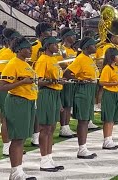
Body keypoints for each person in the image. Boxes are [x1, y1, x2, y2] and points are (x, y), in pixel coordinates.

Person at [0, 36, 37, 180]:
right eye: (28, 48)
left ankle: (18, 171)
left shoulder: (25, 64)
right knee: (17, 139)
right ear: (19, 49)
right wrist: (21, 84)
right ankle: (15, 173)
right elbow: (1, 86)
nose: (30, 50)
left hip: (27, 101)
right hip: (17, 102)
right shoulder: (13, 63)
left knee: (21, 139)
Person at [64, 37, 99, 159]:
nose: (95, 47)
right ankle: (81, 149)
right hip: (83, 90)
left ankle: (84, 147)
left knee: (86, 119)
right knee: (83, 120)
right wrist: (80, 79)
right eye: (93, 45)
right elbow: (67, 73)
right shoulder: (80, 59)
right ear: (86, 48)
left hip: (89, 89)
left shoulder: (88, 59)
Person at [35, 36, 65, 172]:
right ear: (47, 46)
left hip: (55, 93)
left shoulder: (54, 59)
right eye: (55, 44)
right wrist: (53, 81)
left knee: (52, 128)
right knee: (45, 128)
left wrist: (58, 81)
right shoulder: (42, 60)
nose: (57, 46)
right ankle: (43, 160)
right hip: (46, 93)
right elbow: (38, 81)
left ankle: (49, 157)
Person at [0, 28, 21, 156]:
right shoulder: (7, 54)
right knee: (6, 117)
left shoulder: (6, 52)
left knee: (9, 117)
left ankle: (10, 145)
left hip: (10, 87)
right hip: (5, 87)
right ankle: (6, 147)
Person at [30, 22, 53, 147]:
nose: (50, 32)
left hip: (46, 80)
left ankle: (39, 135)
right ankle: (35, 136)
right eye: (48, 30)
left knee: (41, 111)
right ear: (42, 33)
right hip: (37, 80)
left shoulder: (49, 44)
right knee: (37, 109)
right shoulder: (35, 46)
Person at [99, 48, 118, 149]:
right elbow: (102, 82)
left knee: (112, 118)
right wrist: (114, 83)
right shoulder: (107, 68)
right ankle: (106, 140)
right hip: (110, 93)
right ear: (112, 57)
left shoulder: (116, 68)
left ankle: (110, 139)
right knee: (108, 118)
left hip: (117, 93)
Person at [58, 27, 77, 138]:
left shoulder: (73, 50)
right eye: (71, 35)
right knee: (65, 104)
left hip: (72, 79)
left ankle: (67, 126)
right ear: (65, 37)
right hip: (64, 79)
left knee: (69, 104)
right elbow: (60, 64)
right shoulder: (61, 49)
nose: (74, 37)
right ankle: (63, 127)